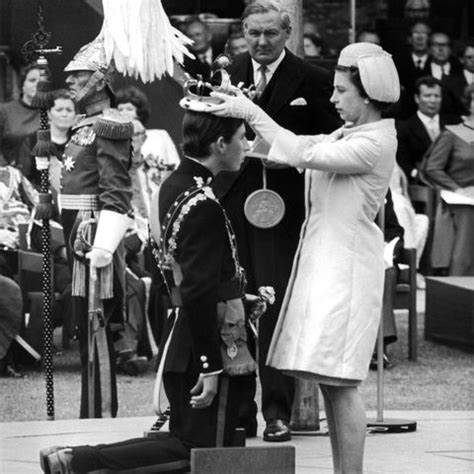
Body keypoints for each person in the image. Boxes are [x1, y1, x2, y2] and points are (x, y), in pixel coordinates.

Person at [209, 41, 400, 473]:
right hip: (328, 263)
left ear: (366, 95)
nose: (332, 99)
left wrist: (249, 111)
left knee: (343, 382)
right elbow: (289, 146)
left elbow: (300, 152)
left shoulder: (375, 141)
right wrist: (233, 125)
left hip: (347, 268)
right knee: (332, 383)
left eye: (341, 91)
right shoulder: (348, 133)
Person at [39, 109, 258, 474]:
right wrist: (211, 366)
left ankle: (75, 458)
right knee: (204, 453)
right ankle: (81, 463)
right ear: (220, 144)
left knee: (189, 440)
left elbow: (181, 278)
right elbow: (198, 289)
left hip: (184, 333)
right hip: (209, 341)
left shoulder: (172, 187)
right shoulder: (202, 203)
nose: (246, 146)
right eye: (241, 137)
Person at [213, 0, 341, 442]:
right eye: (253, 34)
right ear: (242, 34)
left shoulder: (315, 79)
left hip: (282, 210)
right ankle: (235, 409)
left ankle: (277, 412)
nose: (262, 43)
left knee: (273, 307)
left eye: (271, 34)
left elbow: (335, 139)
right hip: (229, 205)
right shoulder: (225, 75)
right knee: (229, 303)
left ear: (287, 33)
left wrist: (296, 157)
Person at [60, 36, 134, 419]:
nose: (69, 80)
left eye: (79, 75)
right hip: (75, 235)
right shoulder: (83, 124)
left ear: (100, 79)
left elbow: (117, 191)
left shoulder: (110, 123)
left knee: (98, 326)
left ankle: (102, 415)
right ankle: (90, 413)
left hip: (94, 235)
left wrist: (104, 246)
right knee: (84, 335)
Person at [422, 83, 474, 276]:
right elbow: (433, 168)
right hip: (458, 199)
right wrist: (458, 189)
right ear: (469, 103)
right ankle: (461, 279)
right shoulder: (453, 134)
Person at [396, 75, 456, 182]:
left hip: (456, 181)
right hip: (421, 185)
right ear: (417, 98)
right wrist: (418, 175)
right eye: (427, 96)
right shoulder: (404, 129)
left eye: (437, 96)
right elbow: (403, 162)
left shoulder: (454, 123)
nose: (433, 100)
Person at [18, 88, 76, 195]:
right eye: (59, 110)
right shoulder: (32, 141)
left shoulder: (79, 140)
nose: (64, 114)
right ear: (49, 113)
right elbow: (25, 178)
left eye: (69, 110)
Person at [0, 63, 48, 166]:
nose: (37, 84)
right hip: (11, 174)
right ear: (22, 85)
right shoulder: (4, 111)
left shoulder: (54, 112)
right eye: (32, 80)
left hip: (45, 174)